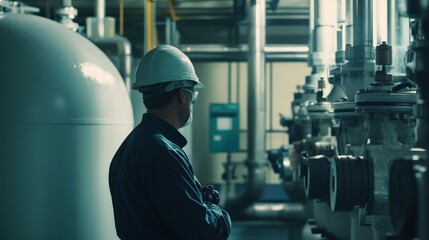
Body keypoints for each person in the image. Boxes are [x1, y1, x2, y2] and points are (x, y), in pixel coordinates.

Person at [109, 44, 232, 240]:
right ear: (183, 96)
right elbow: (203, 231)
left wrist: (198, 201)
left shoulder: (128, 147)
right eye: (193, 96)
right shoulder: (164, 154)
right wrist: (217, 212)